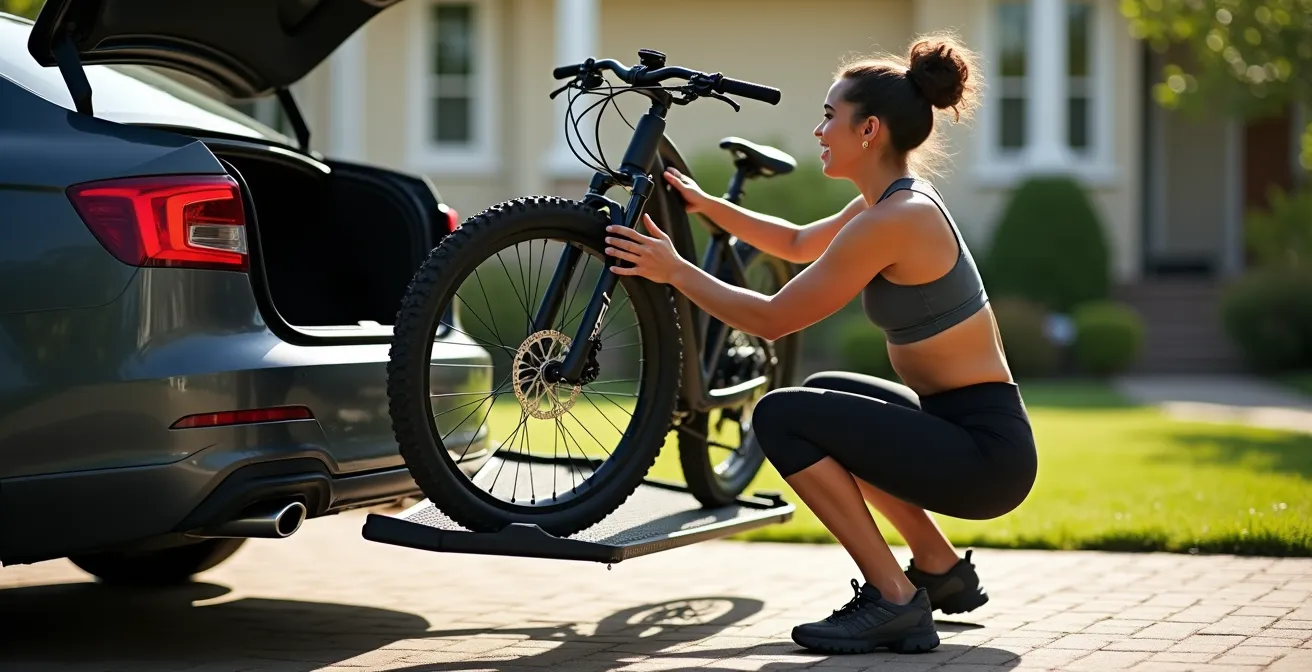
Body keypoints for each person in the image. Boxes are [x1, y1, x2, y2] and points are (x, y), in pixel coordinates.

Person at [602, 33, 1039, 655]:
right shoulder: (891, 203)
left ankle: (894, 599)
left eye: (831, 116)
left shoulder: (896, 220)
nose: (819, 129)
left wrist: (676, 270)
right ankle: (939, 570)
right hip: (963, 430)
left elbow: (774, 318)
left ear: (871, 131)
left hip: (984, 458)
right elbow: (800, 242)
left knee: (781, 414)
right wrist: (704, 208)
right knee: (824, 394)